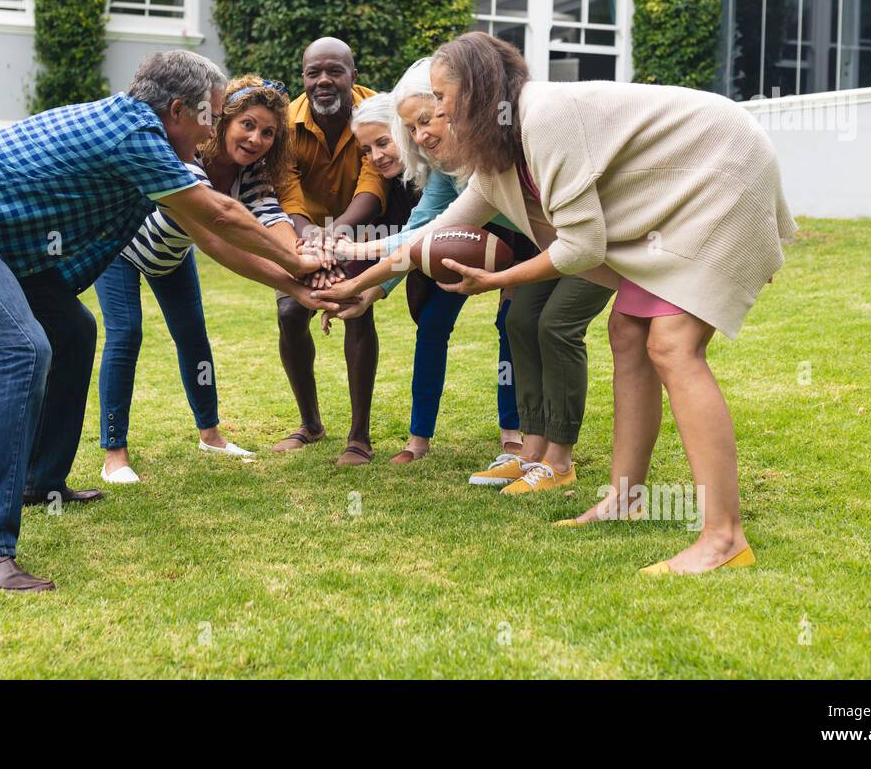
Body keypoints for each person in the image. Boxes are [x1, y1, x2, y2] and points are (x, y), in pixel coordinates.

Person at [320, 31, 796, 575]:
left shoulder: (542, 119)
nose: (435, 118)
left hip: (720, 165)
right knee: (628, 332)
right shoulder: (496, 160)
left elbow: (582, 246)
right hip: (679, 192)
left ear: (475, 93)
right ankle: (625, 499)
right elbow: (429, 235)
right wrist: (351, 268)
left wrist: (496, 280)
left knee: (673, 344)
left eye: (442, 101)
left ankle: (724, 537)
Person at [0, 51, 328, 592]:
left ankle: (39, 482)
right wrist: (300, 264)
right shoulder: (136, 134)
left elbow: (214, 235)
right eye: (209, 117)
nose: (211, 131)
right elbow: (218, 219)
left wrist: (297, 283)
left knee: (73, 331)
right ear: (177, 110)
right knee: (19, 350)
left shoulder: (144, 134)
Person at [95, 75, 300, 481]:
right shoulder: (186, 159)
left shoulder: (252, 174)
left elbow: (273, 220)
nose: (256, 138)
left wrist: (303, 260)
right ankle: (114, 454)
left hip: (169, 256)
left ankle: (211, 435)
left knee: (193, 336)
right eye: (248, 124)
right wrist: (296, 280)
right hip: (120, 249)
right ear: (224, 121)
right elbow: (217, 236)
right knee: (126, 334)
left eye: (267, 132)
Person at [329, 59, 527, 466]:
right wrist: (372, 290)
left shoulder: (488, 145)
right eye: (411, 130)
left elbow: (418, 237)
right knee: (433, 321)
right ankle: (419, 438)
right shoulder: (438, 169)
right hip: (461, 239)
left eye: (386, 141)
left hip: (526, 238)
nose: (418, 137)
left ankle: (514, 432)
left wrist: (351, 252)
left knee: (513, 323)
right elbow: (420, 237)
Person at [270, 37, 387, 467]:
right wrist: (313, 239)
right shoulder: (284, 123)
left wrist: (337, 237)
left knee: (355, 308)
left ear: (352, 75)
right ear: (302, 77)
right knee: (289, 314)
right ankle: (311, 425)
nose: (323, 81)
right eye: (313, 72)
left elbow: (373, 182)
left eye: (334, 71)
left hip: (364, 228)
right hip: (304, 232)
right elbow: (286, 189)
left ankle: (359, 437)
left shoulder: (376, 110)